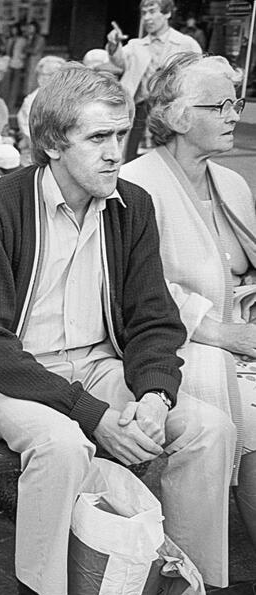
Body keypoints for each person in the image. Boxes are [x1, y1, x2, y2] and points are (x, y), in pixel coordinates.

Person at [0, 63, 235, 595]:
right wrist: (92, 413)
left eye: (120, 136)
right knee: (61, 444)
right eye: (97, 138)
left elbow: (155, 318)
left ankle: (167, 594)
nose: (113, 153)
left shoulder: (133, 205)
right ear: (52, 143)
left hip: (102, 365)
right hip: (15, 376)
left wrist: (154, 394)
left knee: (209, 428)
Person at [120, 53, 256, 554]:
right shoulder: (137, 184)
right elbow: (137, 288)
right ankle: (192, 567)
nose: (233, 114)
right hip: (180, 342)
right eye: (219, 104)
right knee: (253, 417)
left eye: (235, 101)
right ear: (177, 117)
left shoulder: (234, 184)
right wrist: (226, 334)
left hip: (241, 335)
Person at [107, 0, 201, 162]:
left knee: (167, 158)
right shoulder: (136, 45)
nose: (147, 18)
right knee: (132, 158)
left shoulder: (186, 44)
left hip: (169, 112)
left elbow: (198, 76)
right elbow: (119, 62)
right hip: (139, 112)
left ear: (167, 13)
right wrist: (114, 44)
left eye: (152, 11)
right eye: (144, 13)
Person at [16, 55, 66, 151]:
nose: (57, 79)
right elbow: (28, 130)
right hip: (39, 148)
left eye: (60, 75)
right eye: (50, 74)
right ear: (40, 78)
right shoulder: (31, 101)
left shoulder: (70, 98)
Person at [23, 21, 46, 94]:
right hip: (29, 62)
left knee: (33, 81)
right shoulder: (29, 38)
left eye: (31, 28)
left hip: (35, 62)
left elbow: (34, 51)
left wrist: (26, 48)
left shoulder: (40, 38)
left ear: (36, 29)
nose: (29, 29)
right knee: (27, 81)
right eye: (28, 28)